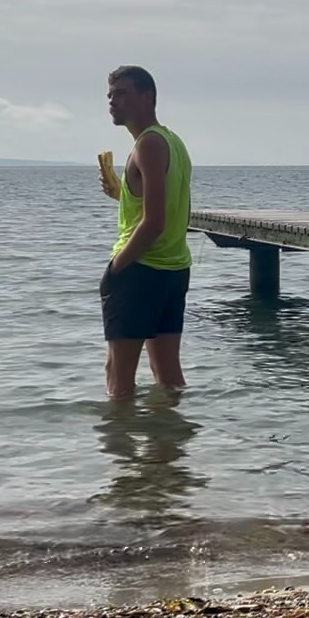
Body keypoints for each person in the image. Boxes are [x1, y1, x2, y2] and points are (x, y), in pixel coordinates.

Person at [98, 65, 193, 401]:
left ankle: (121, 453)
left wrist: (117, 267)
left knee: (118, 377)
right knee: (168, 375)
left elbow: (154, 222)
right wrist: (121, 192)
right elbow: (158, 204)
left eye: (122, 93)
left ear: (148, 97)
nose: (112, 101)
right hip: (173, 269)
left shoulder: (148, 144)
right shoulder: (171, 141)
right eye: (110, 95)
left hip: (140, 269)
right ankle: (169, 448)